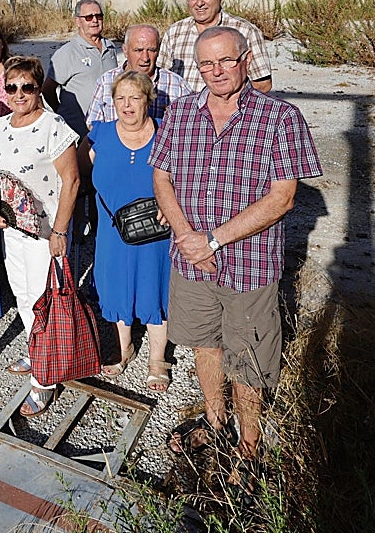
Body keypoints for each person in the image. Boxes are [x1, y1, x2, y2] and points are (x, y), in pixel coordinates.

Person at [150, 27, 321, 461]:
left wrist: (211, 241)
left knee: (248, 356)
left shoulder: (280, 117)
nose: (217, 71)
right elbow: (161, 177)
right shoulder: (181, 112)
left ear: (246, 60)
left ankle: (249, 444)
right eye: (206, 64)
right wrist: (188, 239)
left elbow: (282, 198)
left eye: (226, 60)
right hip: (189, 263)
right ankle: (214, 419)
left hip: (248, 266)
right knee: (204, 345)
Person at [0, 56, 80, 417]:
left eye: (27, 86)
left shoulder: (54, 126)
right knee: (24, 295)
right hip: (13, 230)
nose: (20, 93)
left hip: (45, 231)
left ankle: (45, 378)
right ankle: (36, 349)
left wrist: (59, 230)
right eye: (12, 87)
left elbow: (71, 181)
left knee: (46, 300)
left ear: (39, 87)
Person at [86, 70, 173, 392]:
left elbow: (183, 178)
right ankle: (123, 350)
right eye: (120, 98)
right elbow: (80, 174)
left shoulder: (166, 133)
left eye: (135, 97)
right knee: (116, 288)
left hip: (156, 230)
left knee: (155, 288)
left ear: (148, 100)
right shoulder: (100, 134)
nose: (127, 105)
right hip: (112, 231)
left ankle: (157, 360)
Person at [159, 0, 273, 94]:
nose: (199, 3)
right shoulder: (175, 32)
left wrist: (228, 105)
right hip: (182, 110)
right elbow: (162, 77)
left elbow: (263, 85)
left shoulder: (245, 31)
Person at [87, 24, 192, 127]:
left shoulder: (178, 86)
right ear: (125, 50)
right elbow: (93, 126)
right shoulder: (106, 82)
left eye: (151, 50)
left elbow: (190, 126)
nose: (145, 58)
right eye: (138, 50)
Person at [43, 0, 120, 137]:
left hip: (107, 129)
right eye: (89, 17)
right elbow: (48, 89)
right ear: (78, 21)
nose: (95, 21)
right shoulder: (66, 53)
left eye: (99, 16)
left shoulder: (111, 48)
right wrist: (62, 111)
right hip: (78, 132)